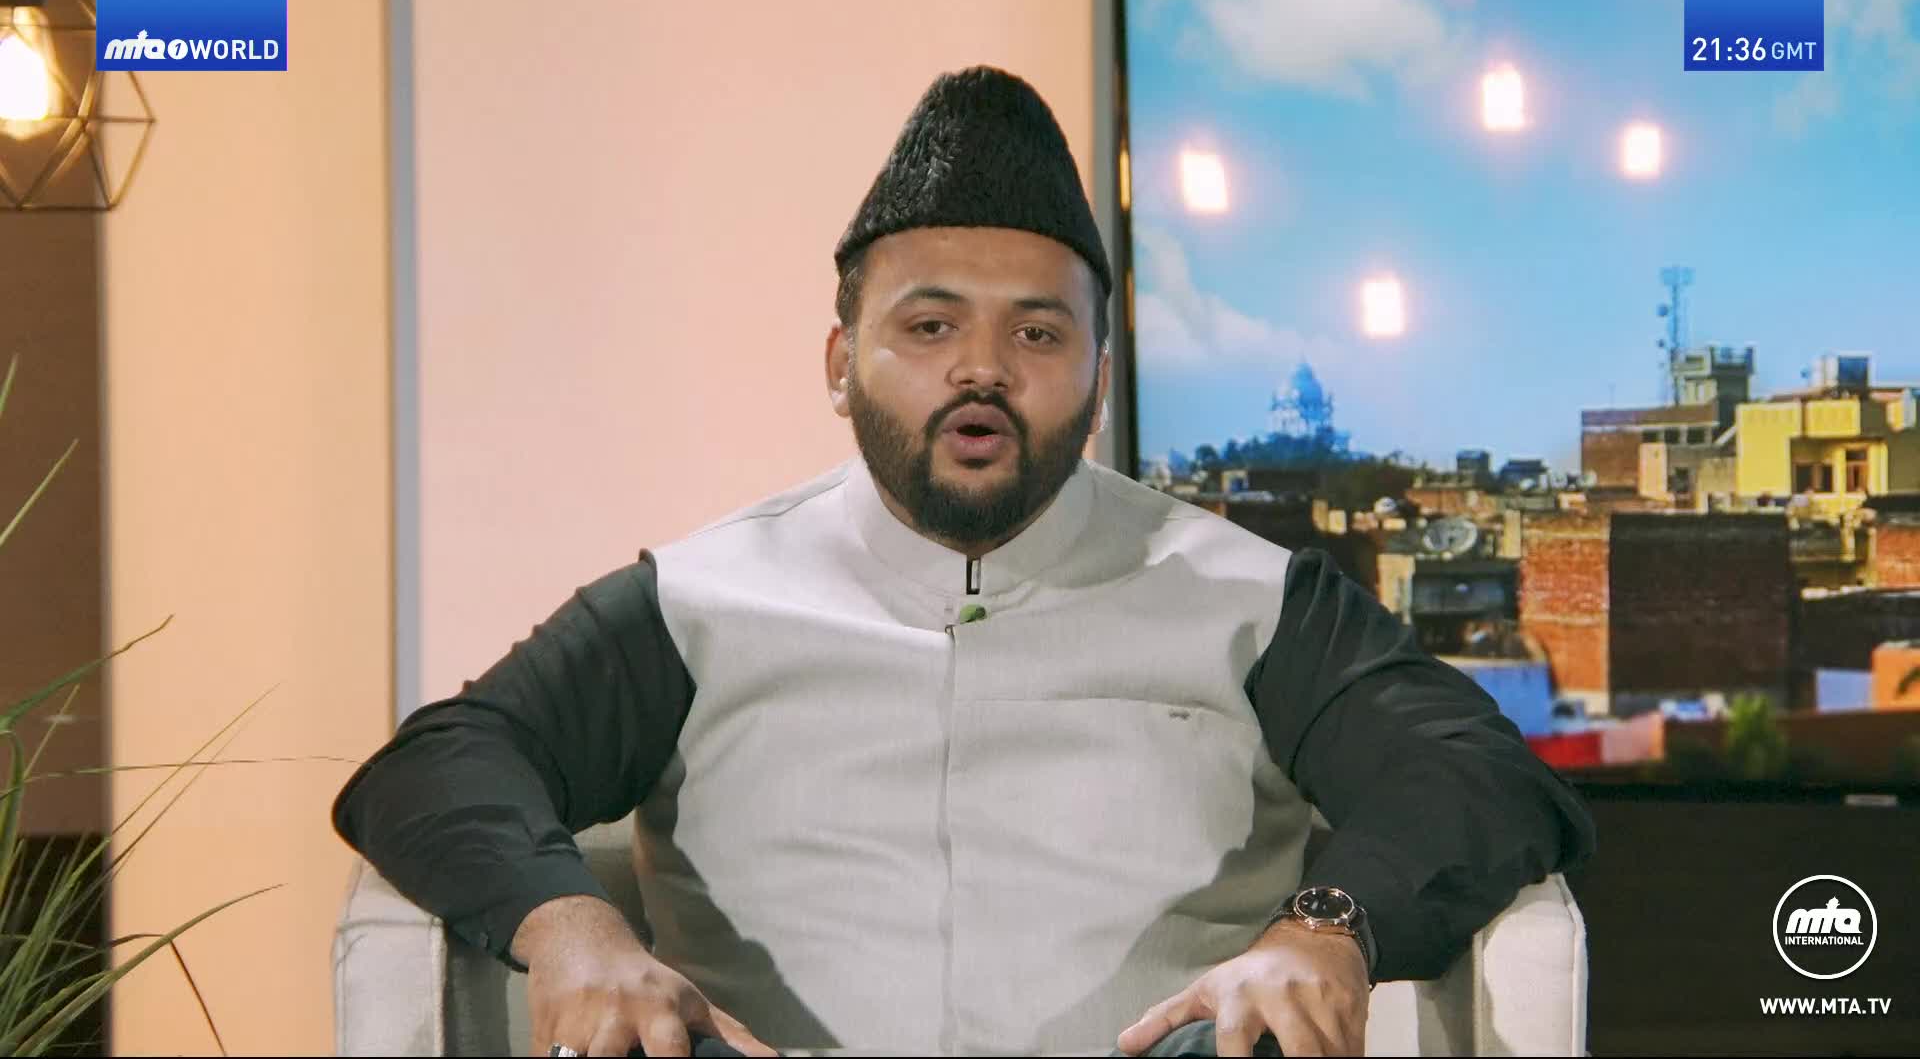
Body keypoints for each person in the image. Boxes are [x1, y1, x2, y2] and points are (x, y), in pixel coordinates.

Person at [333, 65, 1596, 1058]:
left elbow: (1474, 773)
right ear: (840, 363)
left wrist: (1325, 933)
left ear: (1097, 380)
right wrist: (573, 927)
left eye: (1036, 332)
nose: (980, 369)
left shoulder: (1249, 599)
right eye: (929, 325)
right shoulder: (698, 601)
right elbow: (443, 763)